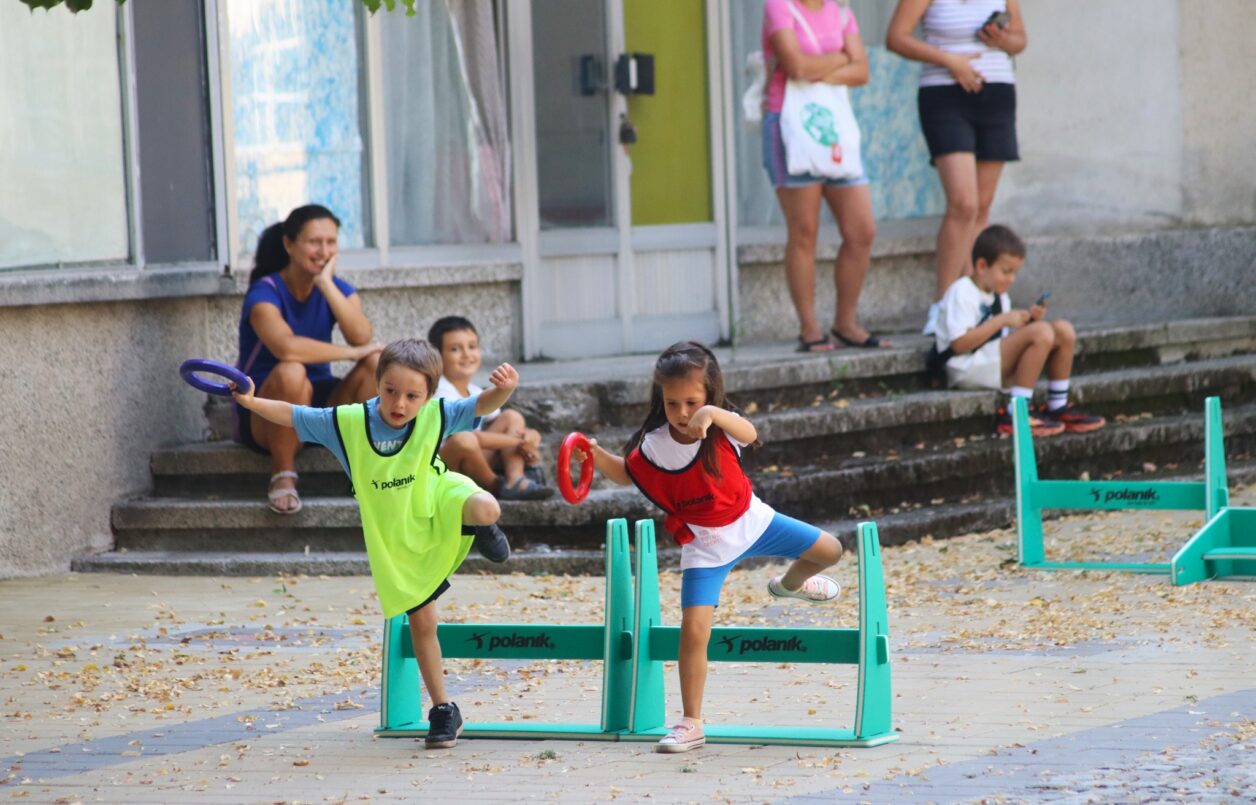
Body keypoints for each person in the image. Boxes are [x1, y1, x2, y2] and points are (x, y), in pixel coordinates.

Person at [231, 338, 518, 748]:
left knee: (487, 507)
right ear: (378, 383)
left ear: (428, 395)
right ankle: (444, 710)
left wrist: (505, 388)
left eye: (412, 396)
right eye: (390, 390)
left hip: (438, 498)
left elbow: (482, 404)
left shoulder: (437, 413)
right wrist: (251, 402)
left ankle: (476, 526)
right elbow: (293, 414)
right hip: (397, 535)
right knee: (423, 625)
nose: (400, 403)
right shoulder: (347, 422)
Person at [573, 341, 845, 753]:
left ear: (710, 393)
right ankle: (691, 722)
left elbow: (751, 433)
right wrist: (593, 454)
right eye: (672, 403)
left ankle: (789, 585)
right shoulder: (654, 443)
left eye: (692, 402)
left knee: (831, 550)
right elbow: (628, 473)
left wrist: (713, 414)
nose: (682, 413)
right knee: (694, 631)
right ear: (660, 399)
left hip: (753, 521)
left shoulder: (723, 426)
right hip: (705, 545)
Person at [885, 0, 1028, 336]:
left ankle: (974, 306)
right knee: (963, 204)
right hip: (946, 94)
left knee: (982, 208)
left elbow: (1020, 41)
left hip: (996, 92)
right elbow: (896, 37)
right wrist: (950, 61)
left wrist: (1002, 38)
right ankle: (943, 306)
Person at [762, 0, 887, 352]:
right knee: (804, 231)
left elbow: (862, 71)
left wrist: (817, 68)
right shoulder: (778, 6)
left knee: (862, 230)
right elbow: (796, 67)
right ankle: (809, 328)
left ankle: (845, 323)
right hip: (789, 127)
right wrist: (840, 58)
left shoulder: (842, 13)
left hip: (834, 132)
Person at [235, 205, 383, 514]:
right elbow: (286, 348)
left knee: (376, 363)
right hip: (267, 412)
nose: (324, 251)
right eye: (315, 242)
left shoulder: (337, 289)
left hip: (319, 407)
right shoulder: (264, 292)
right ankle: (283, 474)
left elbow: (361, 337)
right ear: (289, 244)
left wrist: (326, 284)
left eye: (331, 242)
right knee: (291, 371)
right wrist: (350, 354)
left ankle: (371, 467)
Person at [934, 225, 1105, 437]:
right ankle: (1017, 412)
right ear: (982, 266)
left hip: (989, 362)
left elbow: (1003, 341)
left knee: (1063, 330)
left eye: (1015, 272)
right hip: (964, 367)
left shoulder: (999, 296)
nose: (1012, 279)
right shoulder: (962, 291)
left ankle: (1058, 404)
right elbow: (959, 344)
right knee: (1041, 332)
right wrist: (1004, 321)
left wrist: (1029, 323)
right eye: (1006, 271)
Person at [428, 316, 554, 502]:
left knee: (511, 417)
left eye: (472, 346)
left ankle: (516, 479)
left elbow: (499, 427)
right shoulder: (439, 391)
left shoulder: (474, 390)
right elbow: (470, 437)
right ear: (437, 357)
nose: (466, 354)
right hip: (445, 468)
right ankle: (496, 486)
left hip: (475, 461)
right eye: (455, 349)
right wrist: (519, 442)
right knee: (464, 440)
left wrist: (529, 435)